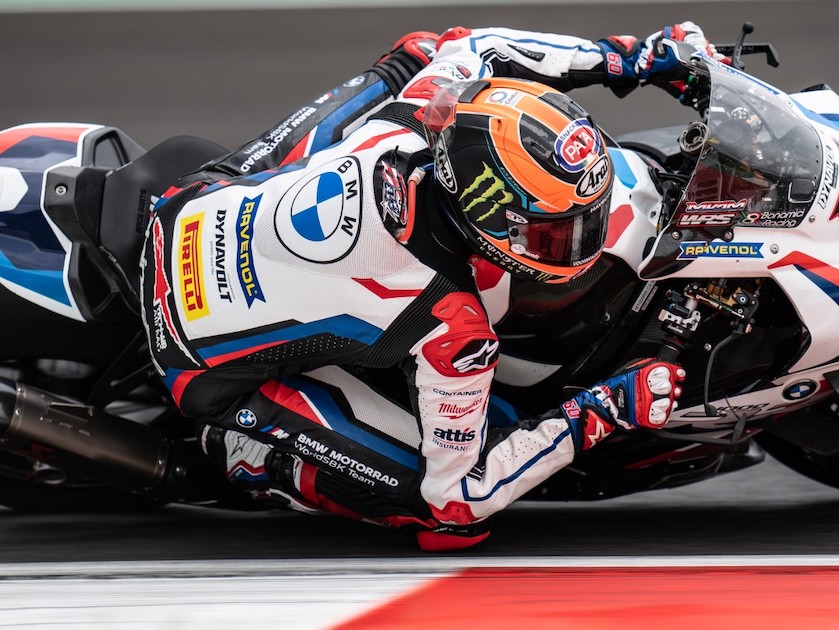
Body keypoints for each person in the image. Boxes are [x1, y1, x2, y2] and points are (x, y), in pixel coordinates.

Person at [140, 22, 724, 550]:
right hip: (195, 357)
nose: (578, 244)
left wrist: (634, 59)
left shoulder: (413, 122)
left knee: (417, 54)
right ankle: (249, 456)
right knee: (448, 520)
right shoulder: (453, 322)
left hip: (186, 205)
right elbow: (460, 491)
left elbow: (476, 45)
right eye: (553, 234)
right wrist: (603, 410)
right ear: (486, 213)